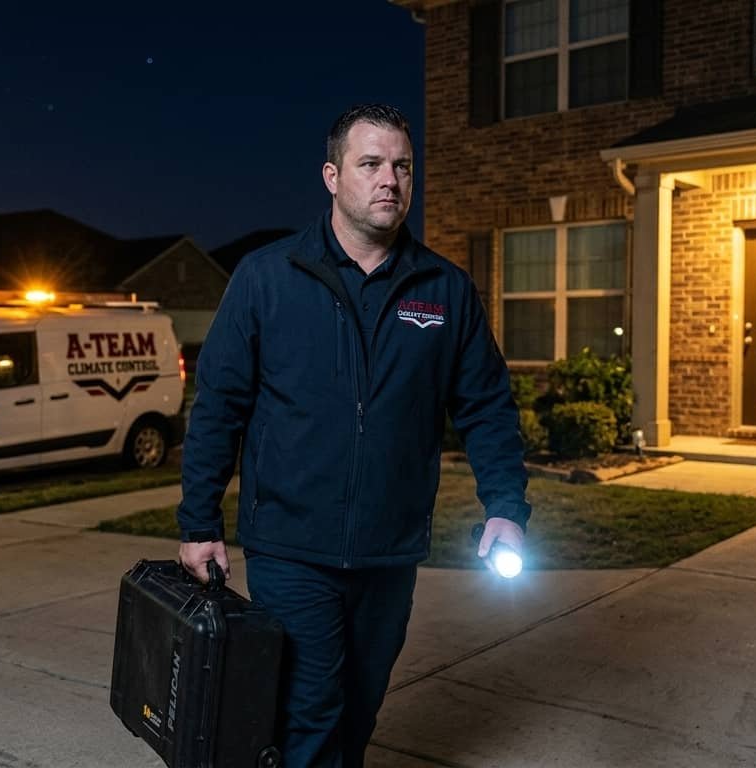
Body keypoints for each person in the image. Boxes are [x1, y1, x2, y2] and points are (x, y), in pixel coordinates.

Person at [177, 103, 530, 767]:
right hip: (290, 544)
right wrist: (199, 521)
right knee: (314, 704)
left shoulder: (444, 289)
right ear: (333, 176)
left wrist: (506, 508)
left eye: (402, 166)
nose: (389, 179)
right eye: (371, 164)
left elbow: (487, 406)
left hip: (389, 551)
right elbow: (220, 404)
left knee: (362, 700)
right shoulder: (267, 277)